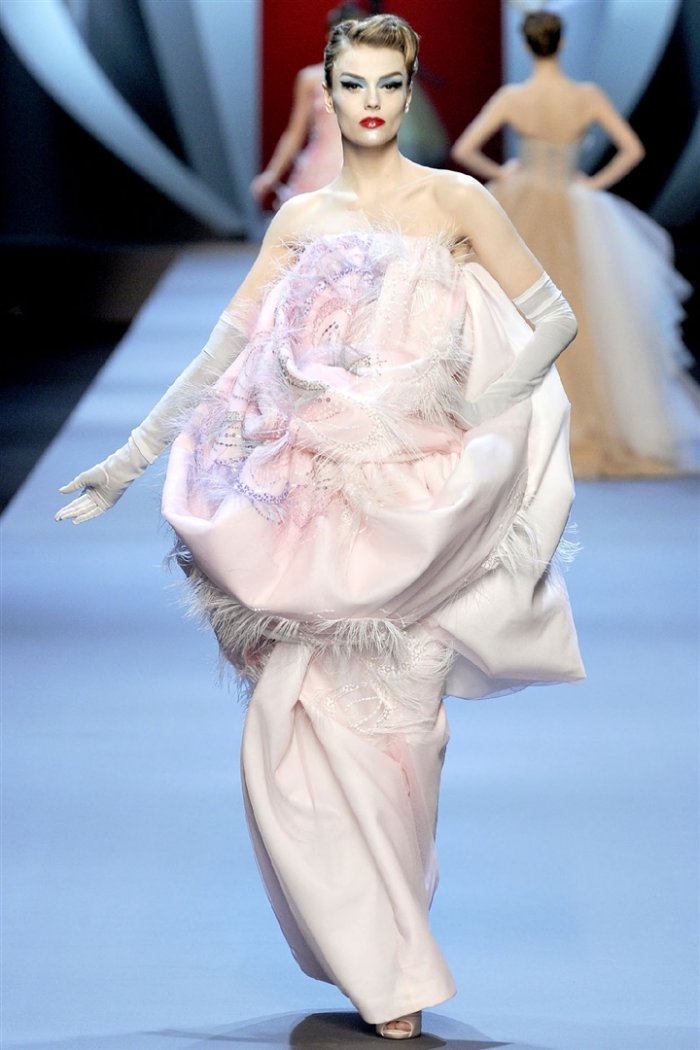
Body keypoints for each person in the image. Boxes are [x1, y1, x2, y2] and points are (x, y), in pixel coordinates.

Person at [56, 13, 585, 1041]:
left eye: (389, 84)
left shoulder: (458, 199)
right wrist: (131, 456)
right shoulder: (302, 221)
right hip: (313, 513)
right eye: (354, 84)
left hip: (426, 511)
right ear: (329, 92)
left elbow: (554, 314)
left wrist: (474, 412)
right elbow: (222, 354)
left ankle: (394, 942)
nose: (372, 103)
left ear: (410, 89)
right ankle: (386, 969)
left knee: (405, 742)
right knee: (288, 731)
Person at [451, 10, 699, 479]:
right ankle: (588, 421)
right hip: (573, 202)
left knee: (517, 312)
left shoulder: (514, 97)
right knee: (586, 312)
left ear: (526, 46)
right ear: (561, 44)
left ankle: (515, 426)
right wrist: (592, 183)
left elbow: (465, 149)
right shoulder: (586, 96)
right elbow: (633, 149)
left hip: (522, 203)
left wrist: (504, 173)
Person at [250, 3, 366, 208]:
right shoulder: (310, 78)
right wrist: (272, 173)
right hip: (319, 172)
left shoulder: (376, 79)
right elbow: (294, 132)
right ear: (329, 37)